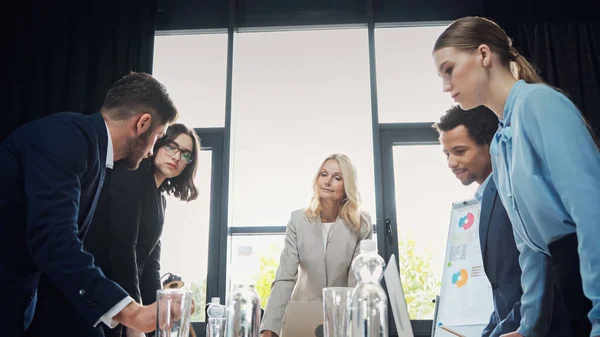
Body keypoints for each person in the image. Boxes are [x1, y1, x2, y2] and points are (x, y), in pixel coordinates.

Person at [432, 16, 600, 337]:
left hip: (589, 290)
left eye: (449, 70)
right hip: (568, 293)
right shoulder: (500, 143)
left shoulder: (540, 104)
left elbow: (593, 213)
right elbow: (530, 247)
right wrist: (528, 329)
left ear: (484, 55)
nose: (445, 86)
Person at [0, 72, 179, 337]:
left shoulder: (92, 151)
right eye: (158, 136)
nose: (152, 150)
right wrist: (132, 313)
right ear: (143, 123)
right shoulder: (70, 137)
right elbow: (53, 241)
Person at [434, 105, 571, 337]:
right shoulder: (489, 196)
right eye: (447, 154)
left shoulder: (512, 194)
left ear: (489, 145)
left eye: (459, 151)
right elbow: (505, 295)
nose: (451, 163)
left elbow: (538, 276)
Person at [82, 123, 201, 337]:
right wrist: (135, 318)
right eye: (171, 147)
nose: (176, 157)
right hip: (101, 295)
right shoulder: (133, 175)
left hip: (124, 298)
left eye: (185, 155)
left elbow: (150, 265)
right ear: (158, 144)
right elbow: (123, 247)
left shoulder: (160, 200)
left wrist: (158, 315)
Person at [259, 154, 373, 337]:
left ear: (347, 186)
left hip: (342, 321)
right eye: (323, 174)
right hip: (301, 318)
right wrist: (269, 328)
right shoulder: (298, 221)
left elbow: (357, 283)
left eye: (337, 178)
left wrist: (357, 327)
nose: (327, 182)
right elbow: (285, 278)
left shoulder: (362, 224)